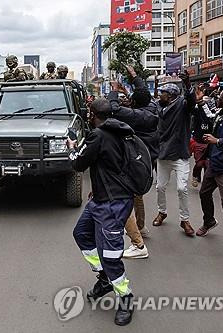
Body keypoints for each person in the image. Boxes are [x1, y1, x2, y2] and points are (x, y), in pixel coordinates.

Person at [69, 98, 135, 326]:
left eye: (89, 112)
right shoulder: (117, 129)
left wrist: (71, 149)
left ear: (92, 113)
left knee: (111, 255)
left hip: (113, 203)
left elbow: (78, 164)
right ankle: (105, 277)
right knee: (82, 234)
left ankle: (125, 298)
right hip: (101, 199)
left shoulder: (98, 135)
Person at [108, 66, 159, 259]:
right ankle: (141, 226)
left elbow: (113, 108)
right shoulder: (151, 107)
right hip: (146, 158)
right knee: (137, 195)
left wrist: (114, 90)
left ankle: (137, 241)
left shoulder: (139, 116)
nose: (128, 101)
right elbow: (143, 92)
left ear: (135, 103)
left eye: (131, 100)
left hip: (138, 161)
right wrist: (135, 77)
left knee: (128, 195)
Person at [153, 72, 196, 237]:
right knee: (160, 187)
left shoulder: (182, 106)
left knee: (181, 188)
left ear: (170, 96)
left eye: (162, 92)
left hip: (179, 154)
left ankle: (185, 219)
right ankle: (162, 212)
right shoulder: (160, 107)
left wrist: (187, 83)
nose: (159, 95)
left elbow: (191, 100)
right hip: (163, 154)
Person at [196, 87, 223, 263]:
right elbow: (211, 116)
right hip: (215, 163)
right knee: (204, 193)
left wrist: (217, 141)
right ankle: (209, 221)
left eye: (219, 96)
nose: (217, 98)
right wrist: (200, 102)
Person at [191, 84, 216, 187]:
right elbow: (192, 109)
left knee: (207, 164)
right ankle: (195, 177)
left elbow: (210, 115)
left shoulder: (214, 116)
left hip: (210, 144)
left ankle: (205, 181)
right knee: (199, 163)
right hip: (198, 142)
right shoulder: (197, 113)